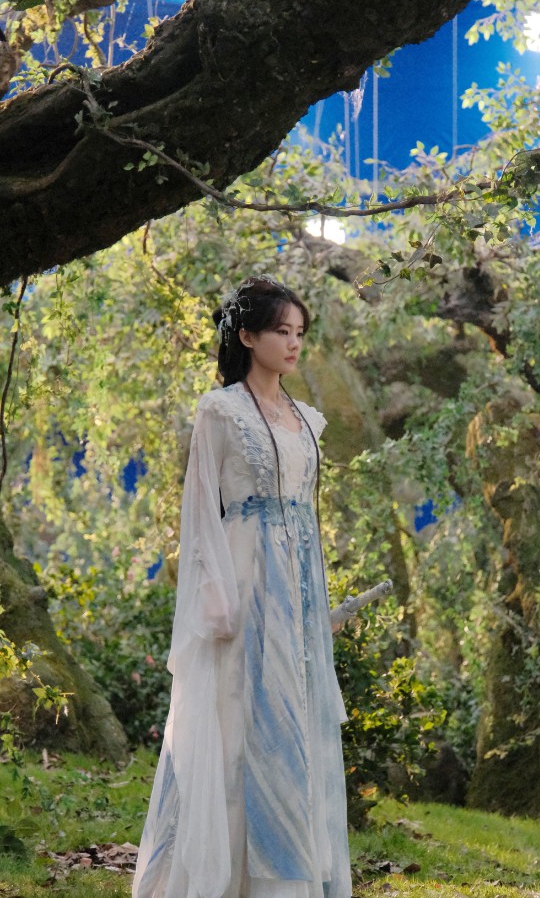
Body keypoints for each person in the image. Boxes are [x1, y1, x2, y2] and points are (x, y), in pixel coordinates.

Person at [132, 275, 352, 898]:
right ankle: (228, 875)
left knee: (294, 715)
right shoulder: (220, 409)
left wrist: (316, 599)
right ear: (248, 337)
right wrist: (215, 597)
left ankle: (289, 873)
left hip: (297, 581)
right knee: (236, 719)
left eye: (300, 332)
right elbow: (201, 507)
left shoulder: (307, 419)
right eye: (282, 331)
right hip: (244, 574)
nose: (294, 343)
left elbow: (305, 514)